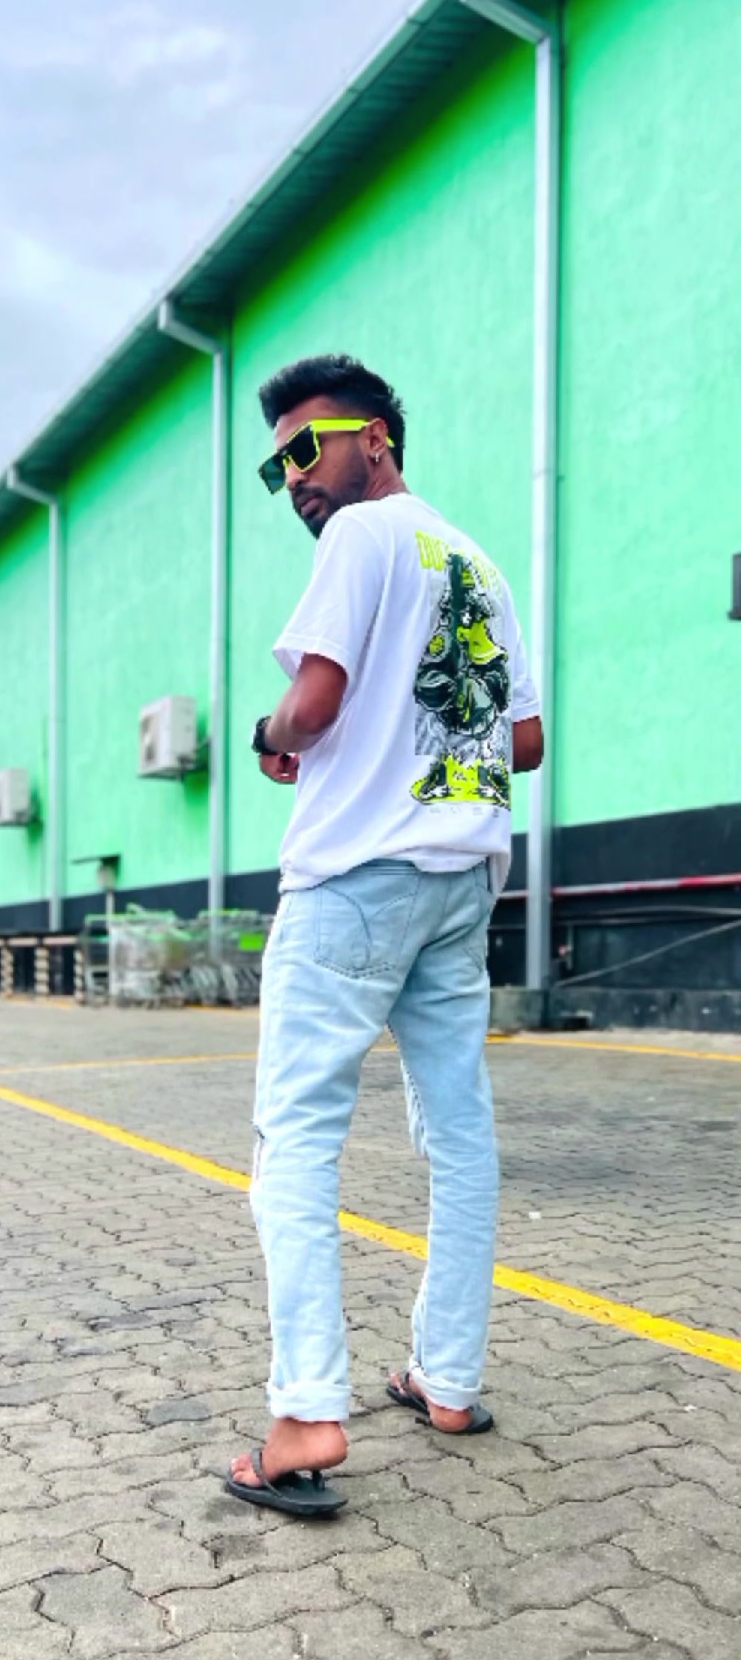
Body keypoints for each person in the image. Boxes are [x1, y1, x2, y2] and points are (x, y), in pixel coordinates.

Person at [226, 354, 543, 1519]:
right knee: (458, 1136)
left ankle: (308, 1416)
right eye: (278, 467)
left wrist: (272, 732)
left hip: (356, 877)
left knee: (297, 1136)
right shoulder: (479, 564)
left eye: (308, 449)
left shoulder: (362, 538)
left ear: (377, 439)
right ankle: (447, 1382)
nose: (295, 480)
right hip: (462, 881)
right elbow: (526, 740)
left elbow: (311, 707)